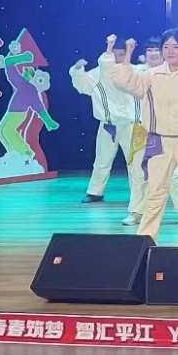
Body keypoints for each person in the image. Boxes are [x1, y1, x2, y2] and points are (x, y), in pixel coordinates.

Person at [103, 29, 178, 245]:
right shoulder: (152, 75)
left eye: (176, 47)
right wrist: (128, 53)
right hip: (158, 139)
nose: (170, 51)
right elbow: (125, 81)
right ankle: (146, 237)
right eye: (166, 47)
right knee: (155, 191)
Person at [70, 38, 143, 224]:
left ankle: (139, 200)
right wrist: (77, 70)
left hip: (133, 125)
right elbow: (82, 85)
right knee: (102, 159)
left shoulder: (136, 71)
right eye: (115, 54)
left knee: (135, 164)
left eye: (121, 54)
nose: (118, 58)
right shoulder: (99, 73)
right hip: (109, 124)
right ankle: (95, 192)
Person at [131, 36, 178, 227]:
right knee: (138, 172)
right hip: (141, 129)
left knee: (175, 173)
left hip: (167, 129)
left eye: (157, 50)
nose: (153, 54)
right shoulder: (137, 72)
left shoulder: (174, 72)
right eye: (149, 50)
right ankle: (136, 211)